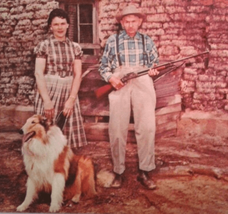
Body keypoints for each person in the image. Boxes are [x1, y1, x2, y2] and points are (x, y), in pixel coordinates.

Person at [99, 5, 159, 189]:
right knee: (117, 128)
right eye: (127, 21)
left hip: (142, 81)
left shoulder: (146, 40)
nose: (130, 24)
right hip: (120, 83)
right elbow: (103, 67)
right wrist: (111, 78)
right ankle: (118, 172)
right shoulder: (112, 41)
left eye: (134, 21)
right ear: (121, 23)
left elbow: (154, 63)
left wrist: (153, 70)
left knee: (147, 126)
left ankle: (145, 171)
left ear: (140, 21)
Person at [34, 8, 87, 148]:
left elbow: (77, 74)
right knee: (44, 132)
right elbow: (39, 73)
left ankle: (62, 166)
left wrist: (71, 99)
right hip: (49, 89)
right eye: (56, 24)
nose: (60, 28)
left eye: (63, 24)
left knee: (65, 135)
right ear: (51, 26)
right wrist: (46, 101)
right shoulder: (44, 46)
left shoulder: (75, 47)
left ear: (68, 25)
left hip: (68, 91)